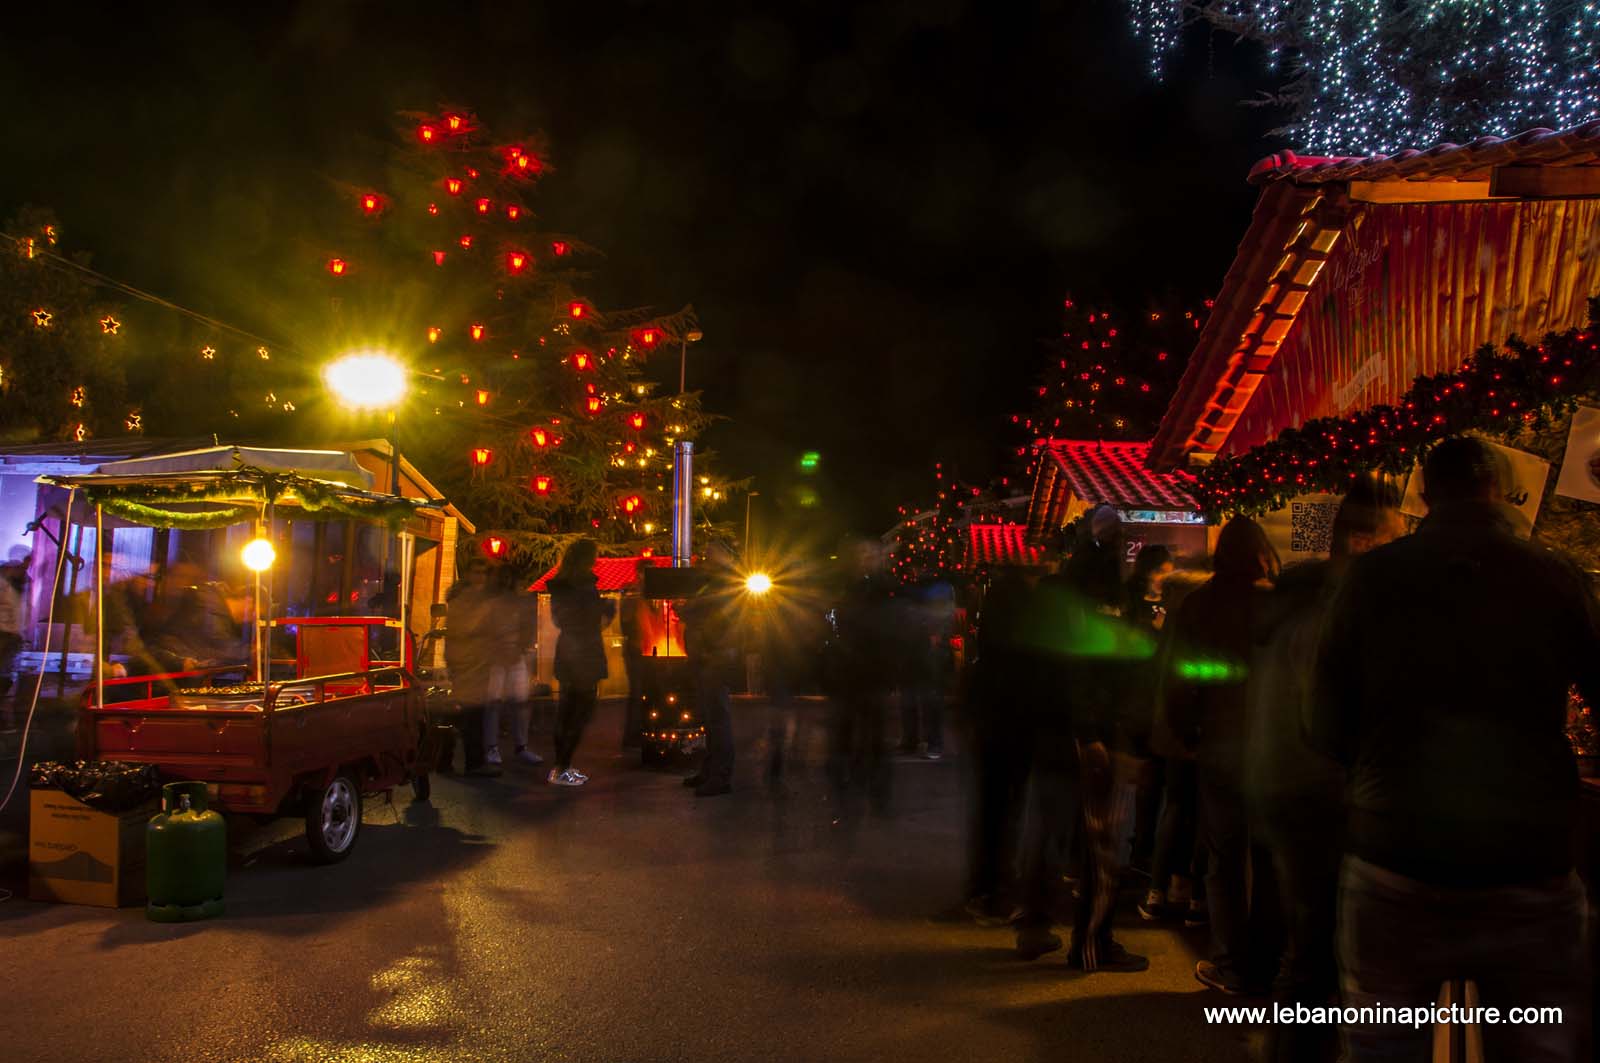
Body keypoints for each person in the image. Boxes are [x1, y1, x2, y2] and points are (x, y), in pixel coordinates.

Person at [1312, 437, 1600, 1062]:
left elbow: (1324, 721)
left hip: (1396, 853)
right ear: (1500, 490)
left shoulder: (1372, 578)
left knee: (1383, 1044)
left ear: (1423, 494)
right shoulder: (1555, 576)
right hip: (1527, 861)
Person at [1245, 477, 1403, 1063]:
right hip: (1316, 792)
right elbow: (1334, 716)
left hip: (1287, 785)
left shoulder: (1305, 597)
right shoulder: (1335, 610)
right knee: (1317, 954)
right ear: (1364, 544)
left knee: (1312, 947)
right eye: (1396, 540)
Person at [1015, 506, 1148, 972]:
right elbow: (1088, 668)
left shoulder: (1055, 591)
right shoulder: (1099, 591)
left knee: (1049, 830)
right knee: (1101, 841)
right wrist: (1092, 731)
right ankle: (1092, 944)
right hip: (1086, 731)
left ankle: (1033, 923)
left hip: (1053, 729)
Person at [1160, 515, 1280, 994]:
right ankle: (1270, 961)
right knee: (1269, 859)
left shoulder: (1199, 605)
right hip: (1276, 745)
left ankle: (1232, 964)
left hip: (1222, 743)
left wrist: (1187, 731)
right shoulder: (1279, 604)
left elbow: (1182, 677)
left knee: (1225, 857)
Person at [548, 538, 614, 787]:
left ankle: (561, 764)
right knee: (580, 710)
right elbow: (589, 618)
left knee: (568, 708)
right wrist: (606, 609)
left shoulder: (560, 585)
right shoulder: (584, 585)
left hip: (568, 648)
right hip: (584, 650)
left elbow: (560, 620)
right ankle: (562, 766)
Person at [680, 542, 741, 797]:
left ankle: (720, 776)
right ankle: (710, 769)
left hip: (714, 654)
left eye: (712, 551)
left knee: (717, 717)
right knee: (710, 717)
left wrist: (688, 611)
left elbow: (717, 614)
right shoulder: (713, 579)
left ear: (725, 555)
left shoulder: (727, 582)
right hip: (705, 652)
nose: (706, 554)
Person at [483, 565, 541, 770]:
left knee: (518, 702)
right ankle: (494, 746)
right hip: (498, 656)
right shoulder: (495, 603)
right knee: (496, 702)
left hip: (514, 655)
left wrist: (520, 647)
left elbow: (528, 628)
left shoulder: (519, 604)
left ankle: (518, 745)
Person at [445, 557, 497, 776]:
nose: (480, 577)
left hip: (473, 661)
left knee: (465, 713)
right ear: (468, 574)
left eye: (484, 573)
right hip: (468, 662)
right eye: (476, 572)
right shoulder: (465, 599)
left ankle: (444, 758)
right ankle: (474, 763)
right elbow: (469, 629)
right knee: (472, 713)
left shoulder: (473, 598)